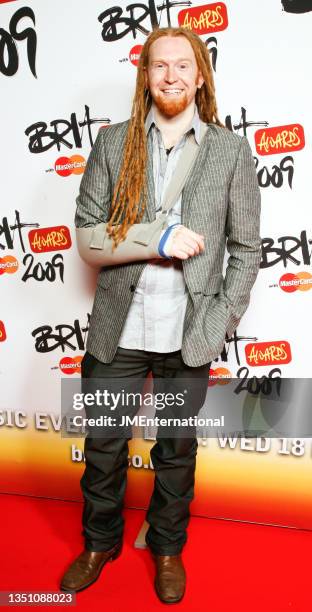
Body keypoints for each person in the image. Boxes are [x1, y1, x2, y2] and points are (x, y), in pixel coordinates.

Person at [60, 27, 261, 603]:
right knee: (103, 443)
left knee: (176, 448)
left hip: (189, 331)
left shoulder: (230, 151)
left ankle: (168, 547)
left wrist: (221, 319)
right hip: (117, 328)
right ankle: (99, 542)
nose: (170, 76)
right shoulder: (113, 142)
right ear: (144, 75)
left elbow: (246, 249)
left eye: (182, 65)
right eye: (158, 66)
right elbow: (88, 240)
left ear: (201, 76)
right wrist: (158, 237)